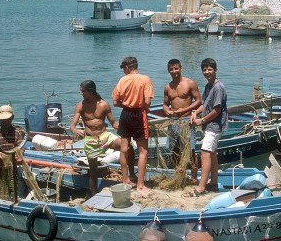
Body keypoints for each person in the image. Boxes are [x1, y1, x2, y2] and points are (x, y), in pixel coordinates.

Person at [70, 80, 135, 196]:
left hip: (105, 136)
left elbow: (114, 123)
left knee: (127, 147)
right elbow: (72, 126)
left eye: (83, 91)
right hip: (91, 140)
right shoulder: (80, 106)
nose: (81, 93)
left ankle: (131, 175)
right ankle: (93, 194)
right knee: (93, 172)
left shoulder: (103, 104)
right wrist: (75, 130)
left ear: (91, 92)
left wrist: (126, 131)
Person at [112, 57, 154, 194]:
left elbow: (115, 102)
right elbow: (147, 102)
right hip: (138, 114)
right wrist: (145, 108)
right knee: (143, 151)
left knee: (124, 148)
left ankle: (126, 180)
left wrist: (126, 104)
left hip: (125, 114)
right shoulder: (144, 79)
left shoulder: (122, 80)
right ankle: (140, 185)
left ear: (127, 67)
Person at [190, 58, 228, 196]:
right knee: (212, 154)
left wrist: (203, 120)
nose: (207, 72)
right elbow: (205, 104)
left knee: (205, 153)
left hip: (215, 126)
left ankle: (201, 188)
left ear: (215, 70)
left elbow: (217, 110)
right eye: (204, 70)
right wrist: (195, 113)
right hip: (209, 125)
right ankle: (213, 183)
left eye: (210, 69)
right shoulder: (208, 86)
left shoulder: (218, 87)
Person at [162, 59, 201, 183]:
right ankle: (179, 175)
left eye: (176, 68)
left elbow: (199, 101)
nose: (174, 71)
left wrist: (186, 110)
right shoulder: (168, 87)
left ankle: (194, 177)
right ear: (168, 71)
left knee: (191, 150)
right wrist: (167, 111)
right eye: (171, 69)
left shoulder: (190, 83)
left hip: (186, 121)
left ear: (181, 68)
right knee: (175, 149)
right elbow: (165, 104)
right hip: (173, 121)